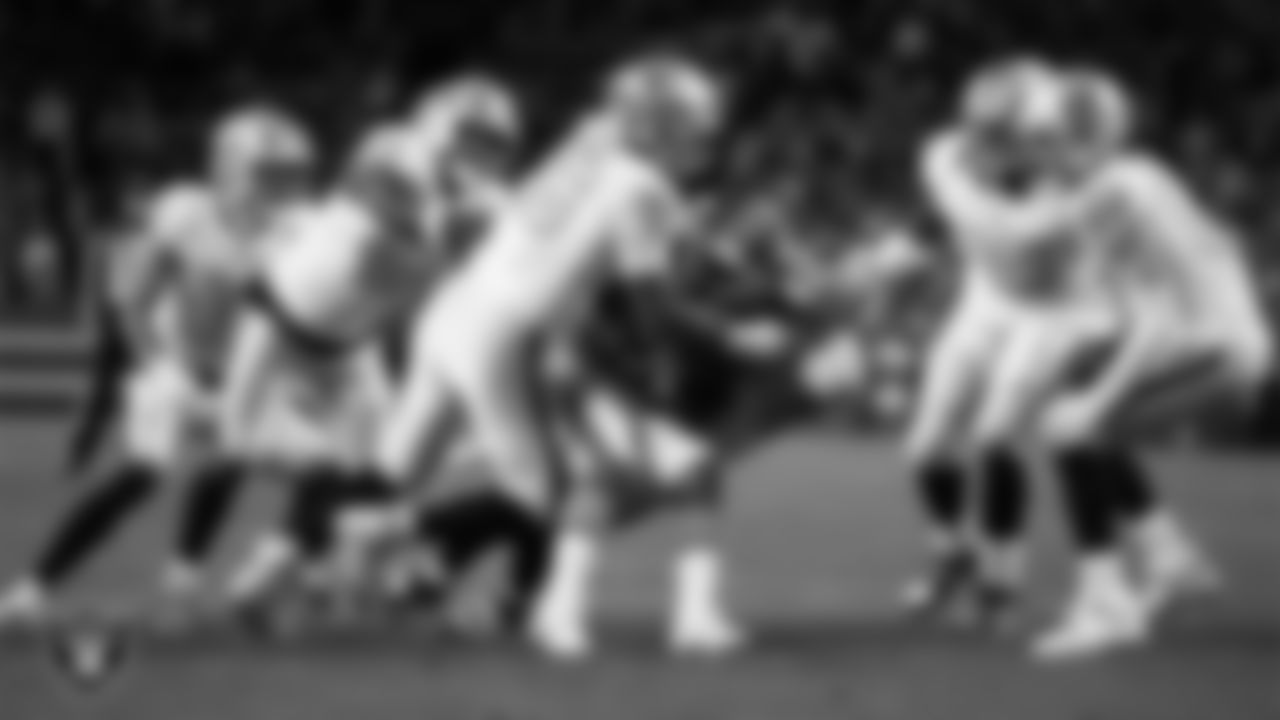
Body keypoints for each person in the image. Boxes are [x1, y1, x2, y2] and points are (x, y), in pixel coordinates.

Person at [0, 107, 316, 623]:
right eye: (270, 173)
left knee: (270, 463)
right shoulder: (187, 214)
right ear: (230, 167)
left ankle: (186, 580)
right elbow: (132, 301)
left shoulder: (298, 231)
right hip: (175, 360)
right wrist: (156, 367)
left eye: (288, 175)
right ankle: (33, 588)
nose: (282, 188)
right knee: (142, 474)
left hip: (243, 375)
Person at [219, 78, 522, 613]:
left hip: (350, 348)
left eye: (491, 143)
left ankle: (269, 575)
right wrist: (460, 235)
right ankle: (315, 566)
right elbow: (383, 235)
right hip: (278, 321)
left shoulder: (478, 201)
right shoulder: (395, 149)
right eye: (472, 136)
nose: (479, 153)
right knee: (250, 446)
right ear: (438, 123)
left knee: (383, 473)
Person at [1031, 69, 1273, 660]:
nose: (1041, 154)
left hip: (1213, 350)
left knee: (1073, 429)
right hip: (1226, 339)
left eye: (1049, 139)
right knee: (1080, 402)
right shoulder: (1141, 175)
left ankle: (1107, 606)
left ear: (1081, 138)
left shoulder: (1106, 195)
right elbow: (1223, 246)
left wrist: (1098, 403)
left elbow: (1158, 319)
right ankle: (1169, 559)